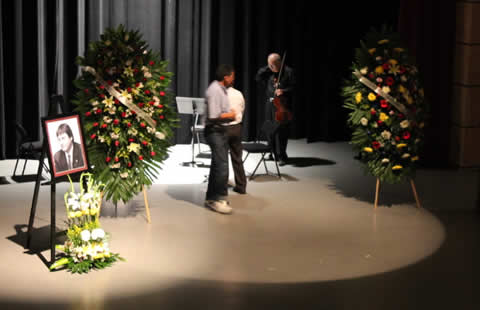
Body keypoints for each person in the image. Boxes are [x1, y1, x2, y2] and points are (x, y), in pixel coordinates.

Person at [204, 64, 236, 214]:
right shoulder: (215, 90)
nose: (233, 79)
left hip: (219, 131)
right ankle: (218, 199)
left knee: (218, 165)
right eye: (232, 76)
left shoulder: (221, 90)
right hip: (214, 132)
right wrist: (230, 115)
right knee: (222, 166)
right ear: (226, 77)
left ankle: (212, 198)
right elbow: (213, 115)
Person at [255, 53, 295, 166]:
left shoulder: (288, 72)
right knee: (269, 129)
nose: (271, 67)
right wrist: (269, 66)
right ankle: (271, 153)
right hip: (270, 103)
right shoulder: (269, 72)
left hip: (282, 105)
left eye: (273, 64)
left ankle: (282, 155)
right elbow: (258, 76)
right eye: (269, 65)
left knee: (281, 131)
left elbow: (294, 87)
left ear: (279, 62)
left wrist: (284, 91)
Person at [225, 86, 247, 194]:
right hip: (236, 128)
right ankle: (241, 186)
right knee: (237, 158)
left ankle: (222, 185)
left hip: (223, 128)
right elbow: (242, 108)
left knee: (222, 158)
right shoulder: (239, 93)